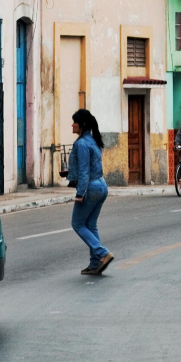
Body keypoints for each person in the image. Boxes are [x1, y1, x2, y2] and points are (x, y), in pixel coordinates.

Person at [69, 109, 114, 276]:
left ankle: (102, 253)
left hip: (90, 187)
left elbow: (84, 172)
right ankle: (95, 264)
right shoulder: (93, 140)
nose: (72, 124)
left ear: (81, 125)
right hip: (101, 185)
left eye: (74, 122)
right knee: (91, 225)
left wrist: (80, 194)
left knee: (78, 224)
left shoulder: (81, 144)